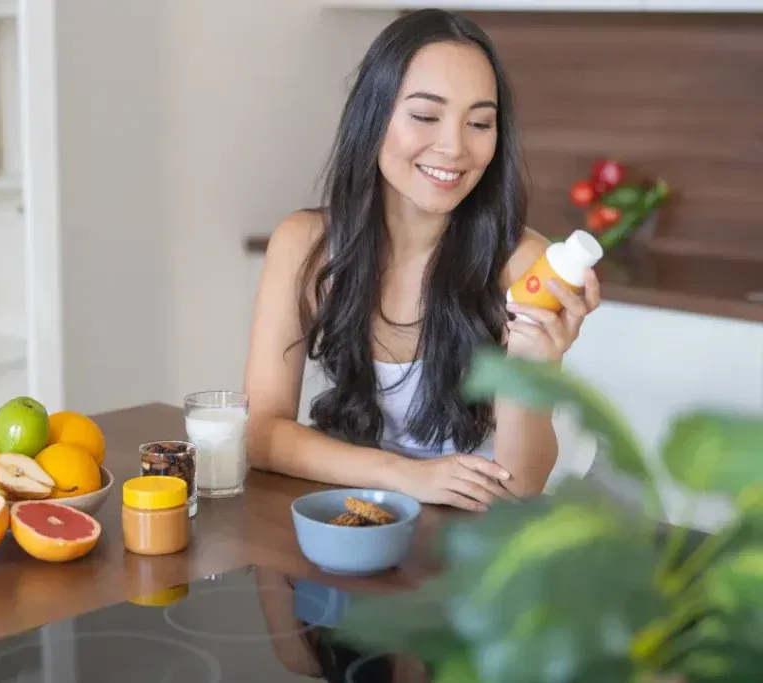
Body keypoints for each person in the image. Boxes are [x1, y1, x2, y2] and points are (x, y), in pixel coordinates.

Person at [243, 8, 601, 511]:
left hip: (508, 528)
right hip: (385, 507)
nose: (454, 147)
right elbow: (260, 435)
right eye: (425, 116)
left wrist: (536, 364)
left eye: (479, 123)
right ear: (374, 117)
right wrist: (406, 476)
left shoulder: (524, 265)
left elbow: (520, 488)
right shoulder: (305, 244)